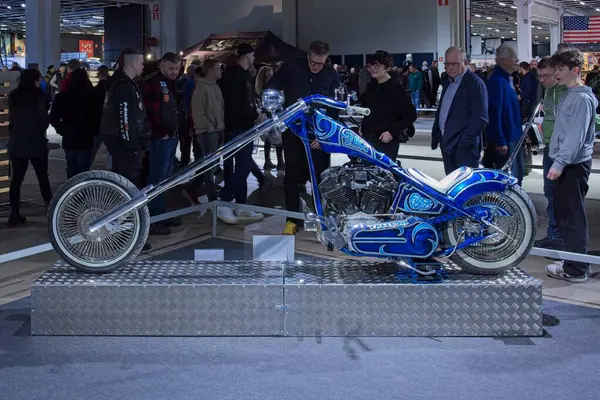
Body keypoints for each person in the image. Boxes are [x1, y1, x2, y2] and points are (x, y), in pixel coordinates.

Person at [266, 40, 340, 235]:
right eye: (313, 63)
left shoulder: (331, 74)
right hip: (293, 130)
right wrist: (274, 110)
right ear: (308, 56)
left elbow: (334, 108)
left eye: (320, 64)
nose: (316, 67)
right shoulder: (291, 66)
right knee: (291, 175)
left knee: (321, 177)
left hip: (319, 134)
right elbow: (271, 86)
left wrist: (325, 136)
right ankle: (292, 220)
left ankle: (323, 219)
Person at [545, 48, 597, 283]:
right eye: (555, 68)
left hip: (573, 166)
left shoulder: (582, 98)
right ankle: (571, 260)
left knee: (573, 217)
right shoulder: (569, 94)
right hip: (567, 164)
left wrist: (560, 162)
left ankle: (576, 269)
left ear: (575, 70)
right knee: (565, 215)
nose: (556, 73)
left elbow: (575, 136)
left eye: (561, 69)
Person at [218, 43, 264, 224]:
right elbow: (241, 104)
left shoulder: (230, 74)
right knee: (244, 166)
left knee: (240, 166)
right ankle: (224, 201)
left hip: (234, 126)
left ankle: (241, 205)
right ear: (247, 56)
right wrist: (256, 114)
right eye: (252, 56)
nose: (253, 59)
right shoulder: (240, 76)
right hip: (240, 126)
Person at [142, 52, 185, 235]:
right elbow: (151, 112)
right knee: (156, 179)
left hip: (170, 135)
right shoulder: (154, 84)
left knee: (164, 179)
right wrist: (161, 132)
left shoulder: (170, 84)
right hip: (161, 138)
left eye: (176, 68)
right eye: (171, 68)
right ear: (161, 66)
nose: (174, 72)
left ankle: (160, 214)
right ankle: (153, 219)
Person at [6, 69, 52, 227]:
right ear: (35, 80)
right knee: (42, 177)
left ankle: (14, 213)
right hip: (36, 143)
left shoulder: (14, 96)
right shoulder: (40, 97)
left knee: (17, 180)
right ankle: (50, 210)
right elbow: (44, 122)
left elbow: (11, 119)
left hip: (17, 143)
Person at [431, 47, 488, 175]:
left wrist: (463, 144)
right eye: (447, 64)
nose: (450, 67)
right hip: (447, 145)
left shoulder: (475, 84)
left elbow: (480, 119)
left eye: (455, 63)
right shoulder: (448, 82)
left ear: (465, 62)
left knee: (466, 191)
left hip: (464, 150)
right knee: (451, 188)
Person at [534, 56, 568, 251]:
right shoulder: (547, 92)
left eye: (546, 76)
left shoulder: (569, 93)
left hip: (564, 152)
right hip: (549, 149)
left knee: (560, 197)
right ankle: (554, 235)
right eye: (539, 76)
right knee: (550, 194)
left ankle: (562, 239)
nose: (542, 80)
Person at [360, 50, 416, 160]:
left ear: (387, 68)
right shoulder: (371, 86)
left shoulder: (396, 89)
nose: (373, 68)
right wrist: (362, 125)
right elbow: (368, 110)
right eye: (371, 65)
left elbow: (411, 115)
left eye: (377, 65)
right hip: (367, 139)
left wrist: (392, 131)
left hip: (386, 141)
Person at [483, 44, 523, 185]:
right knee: (510, 179)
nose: (517, 60)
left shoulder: (507, 79)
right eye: (514, 58)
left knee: (518, 175)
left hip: (513, 135)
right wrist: (500, 140)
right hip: (507, 137)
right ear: (504, 60)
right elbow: (494, 112)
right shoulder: (497, 81)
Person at [49, 68, 97, 178]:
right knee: (84, 169)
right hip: (86, 136)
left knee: (71, 167)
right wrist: (94, 130)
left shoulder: (62, 97)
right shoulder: (92, 96)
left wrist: (61, 129)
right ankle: (82, 192)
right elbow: (98, 116)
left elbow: (53, 118)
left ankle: (71, 192)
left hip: (69, 135)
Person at [191, 58, 224, 203]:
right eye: (218, 67)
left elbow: (220, 108)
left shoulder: (216, 87)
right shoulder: (201, 87)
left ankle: (200, 188)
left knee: (214, 163)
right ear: (210, 70)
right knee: (209, 164)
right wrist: (208, 126)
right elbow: (197, 111)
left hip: (218, 129)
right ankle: (210, 194)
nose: (221, 70)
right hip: (207, 131)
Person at [255, 65, 284, 170]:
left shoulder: (259, 89)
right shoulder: (269, 89)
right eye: (268, 74)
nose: (271, 76)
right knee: (278, 139)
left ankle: (268, 161)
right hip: (271, 115)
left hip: (265, 117)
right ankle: (279, 162)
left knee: (269, 140)